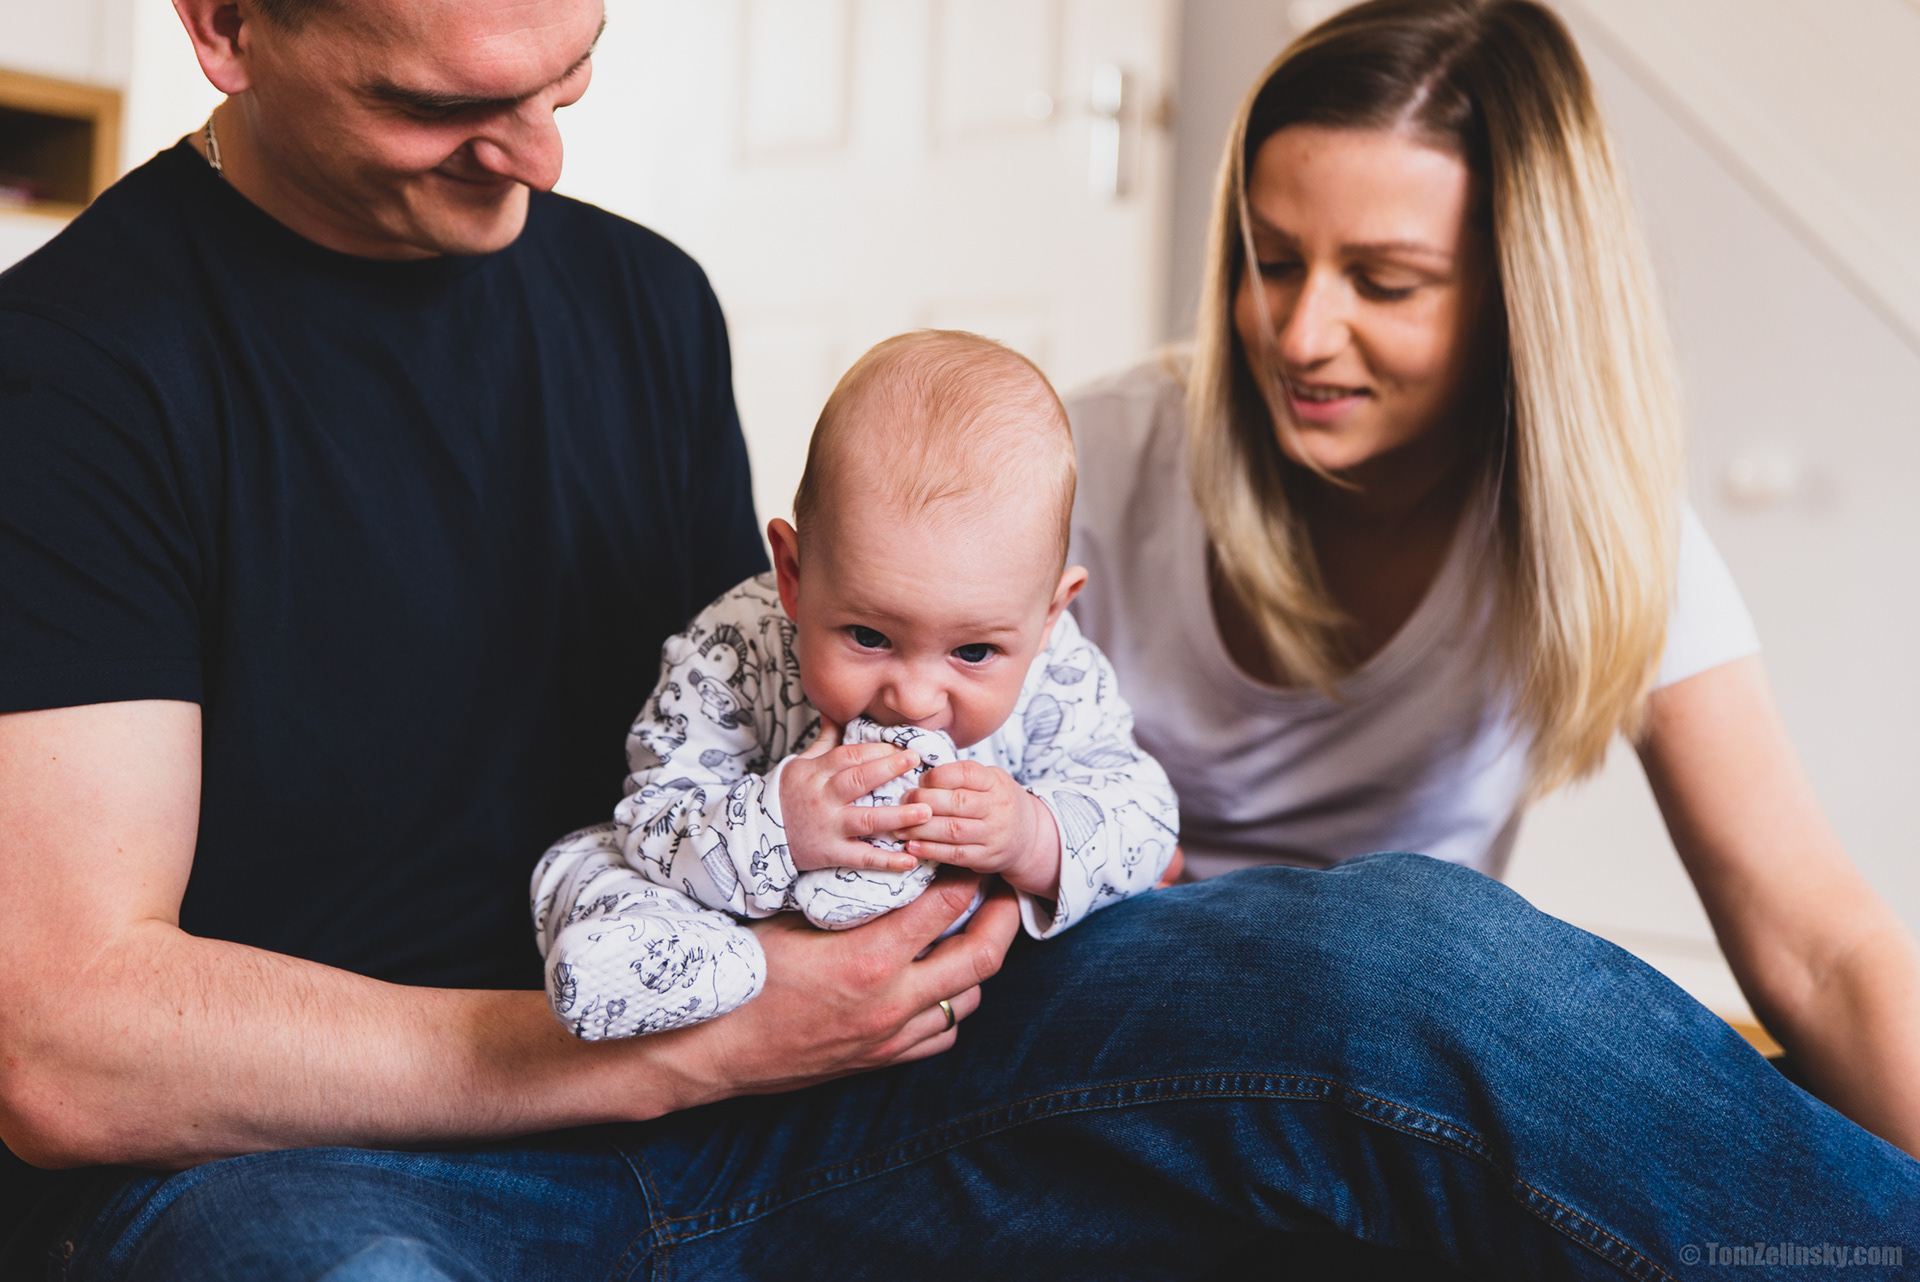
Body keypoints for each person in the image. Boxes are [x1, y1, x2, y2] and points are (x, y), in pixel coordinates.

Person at [0, 0, 1913, 1277]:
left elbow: (779, 720)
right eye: (438, 102)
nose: (536, 162)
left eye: (566, 80)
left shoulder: (645, 305)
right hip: (366, 1160)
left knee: (1404, 958)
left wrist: (966, 883)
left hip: (812, 1080)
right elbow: (63, 1040)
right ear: (224, 25)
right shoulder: (75, 370)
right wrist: (665, 1052)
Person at [1065, 0, 1920, 1157]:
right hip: (1113, 1024)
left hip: (1385, 1061)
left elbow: (1817, 946)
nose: (1302, 330)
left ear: (1523, 293)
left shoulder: (1602, 528)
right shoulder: (1095, 458)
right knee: (1443, 942)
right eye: (1272, 262)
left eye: (1386, 280)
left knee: (1696, 1064)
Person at [533, 331, 1176, 1040]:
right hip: (743, 929)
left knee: (1129, 874)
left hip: (965, 975)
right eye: (869, 637)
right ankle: (670, 971)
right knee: (587, 862)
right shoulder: (732, 648)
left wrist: (1033, 837)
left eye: (972, 651)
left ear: (1050, 613)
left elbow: (1146, 811)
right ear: (795, 576)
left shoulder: (1058, 671)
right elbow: (655, 815)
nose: (914, 698)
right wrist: (781, 825)